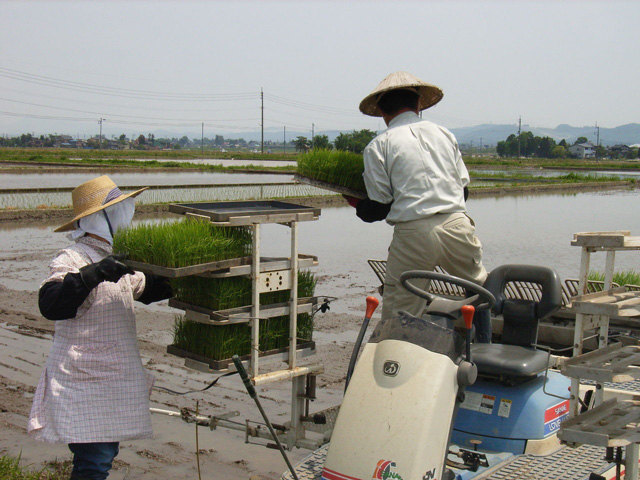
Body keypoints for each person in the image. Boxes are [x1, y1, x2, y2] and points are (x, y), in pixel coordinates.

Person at [28, 175, 173, 480]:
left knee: (102, 458)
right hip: (85, 376)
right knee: (95, 461)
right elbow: (51, 303)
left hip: (111, 375)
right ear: (99, 217)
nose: (127, 213)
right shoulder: (73, 258)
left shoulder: (115, 260)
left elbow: (147, 288)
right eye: (120, 208)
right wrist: (91, 275)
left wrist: (191, 273)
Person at [348, 71, 491, 341]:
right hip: (456, 225)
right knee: (479, 291)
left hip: (413, 233)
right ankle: (484, 352)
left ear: (381, 111)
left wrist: (356, 204)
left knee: (401, 307)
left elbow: (378, 207)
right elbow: (464, 190)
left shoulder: (379, 145)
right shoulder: (444, 134)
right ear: (418, 106)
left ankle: (396, 365)